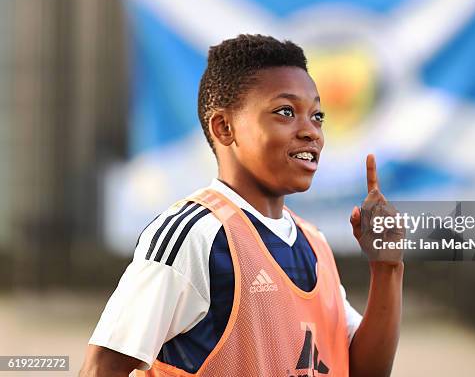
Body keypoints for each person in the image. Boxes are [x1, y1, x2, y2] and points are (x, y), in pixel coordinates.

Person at [80, 34, 404, 377]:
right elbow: (102, 366)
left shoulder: (314, 243)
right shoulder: (194, 235)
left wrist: (388, 268)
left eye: (317, 116)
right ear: (224, 127)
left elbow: (364, 370)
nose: (311, 131)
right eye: (286, 112)